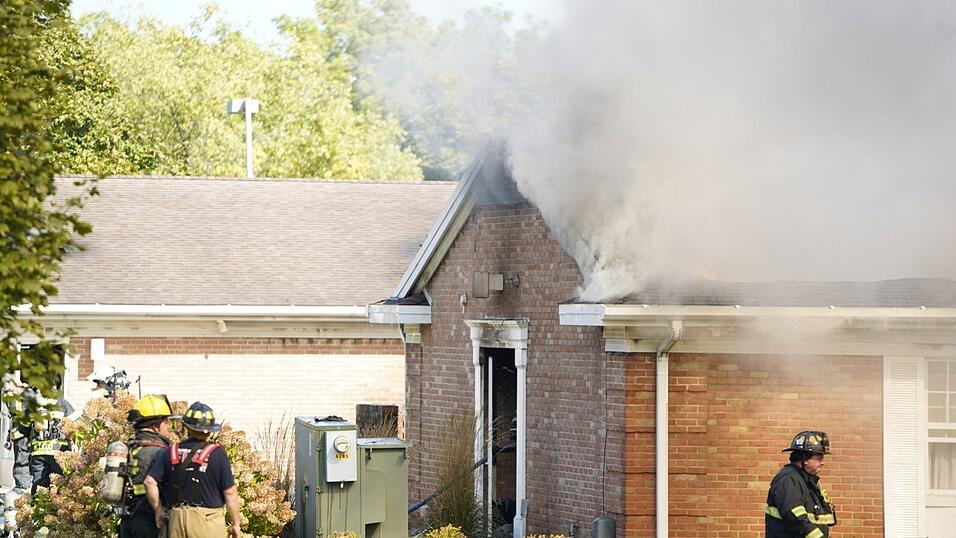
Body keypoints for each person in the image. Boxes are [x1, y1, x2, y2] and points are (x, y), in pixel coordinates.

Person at [144, 402, 241, 538]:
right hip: (208, 521)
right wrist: (236, 524)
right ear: (210, 430)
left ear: (186, 427)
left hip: (176, 520)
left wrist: (158, 510)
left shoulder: (170, 452)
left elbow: (149, 482)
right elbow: (230, 492)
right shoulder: (217, 453)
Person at [120, 395, 176, 538]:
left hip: (127, 518)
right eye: (166, 422)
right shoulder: (160, 451)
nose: (168, 426)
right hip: (150, 518)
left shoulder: (129, 448)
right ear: (156, 426)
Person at [765, 431, 837, 538]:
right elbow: (796, 517)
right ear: (805, 459)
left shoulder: (806, 480)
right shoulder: (788, 479)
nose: (822, 463)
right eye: (819, 458)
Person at [29, 394, 74, 493]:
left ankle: (38, 506)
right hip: (58, 452)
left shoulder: (34, 404)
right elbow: (74, 424)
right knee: (58, 484)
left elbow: (25, 428)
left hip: (38, 452)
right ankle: (55, 507)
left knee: (39, 484)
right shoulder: (62, 403)